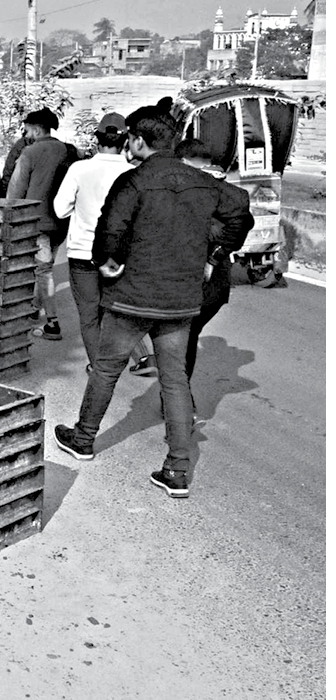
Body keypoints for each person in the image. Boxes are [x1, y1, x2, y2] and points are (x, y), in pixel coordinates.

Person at [54, 106, 254, 498]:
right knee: (174, 379)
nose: (128, 143)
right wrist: (216, 256)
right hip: (181, 298)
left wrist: (107, 263)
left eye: (130, 138)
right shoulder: (204, 183)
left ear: (139, 140)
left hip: (133, 296)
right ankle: (177, 469)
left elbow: (110, 231)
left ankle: (84, 438)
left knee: (106, 369)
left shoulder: (133, 181)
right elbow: (240, 212)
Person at [54, 113, 156, 375]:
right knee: (120, 310)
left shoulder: (79, 169)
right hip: (120, 254)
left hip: (83, 252)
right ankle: (143, 357)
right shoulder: (133, 173)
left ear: (97, 139)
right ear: (125, 142)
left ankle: (99, 369)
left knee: (89, 314)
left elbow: (60, 209)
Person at [176, 137, 248, 402]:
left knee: (179, 337)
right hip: (215, 283)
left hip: (190, 277)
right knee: (187, 335)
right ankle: (178, 396)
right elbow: (243, 223)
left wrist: (211, 259)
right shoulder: (233, 194)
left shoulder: (186, 190)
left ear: (185, 162)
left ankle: (178, 398)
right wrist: (217, 257)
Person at [5, 107, 76, 341]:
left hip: (37, 222)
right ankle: (34, 309)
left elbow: (15, 192)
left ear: (36, 130)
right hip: (62, 222)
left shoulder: (30, 152)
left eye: (27, 130)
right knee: (44, 267)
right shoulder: (69, 151)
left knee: (43, 272)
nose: (26, 135)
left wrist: (9, 218)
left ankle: (53, 324)